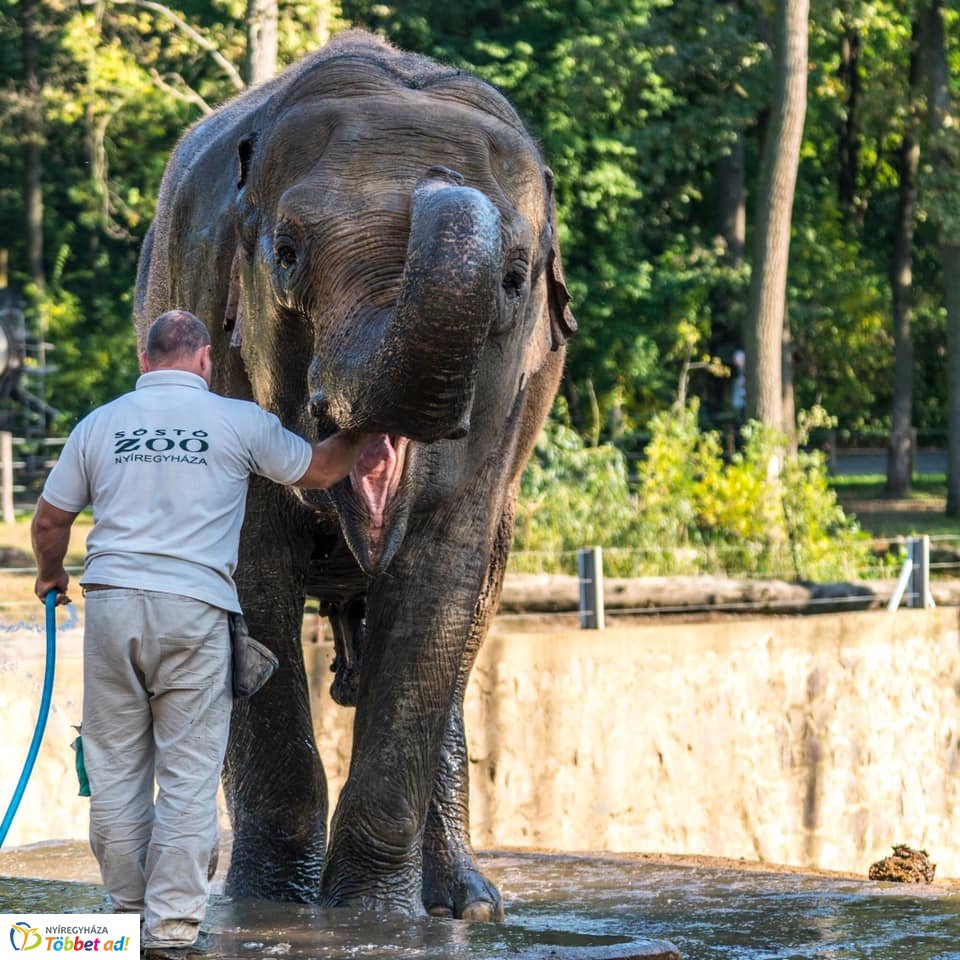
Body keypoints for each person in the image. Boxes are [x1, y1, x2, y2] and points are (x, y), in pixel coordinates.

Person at [31, 310, 371, 959]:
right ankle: (171, 935)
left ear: (145, 359)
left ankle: (121, 925)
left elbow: (49, 521)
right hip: (197, 611)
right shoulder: (236, 421)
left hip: (113, 609)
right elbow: (323, 471)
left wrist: (52, 577)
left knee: (115, 774)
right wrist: (368, 425)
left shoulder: (99, 425)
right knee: (186, 779)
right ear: (206, 361)